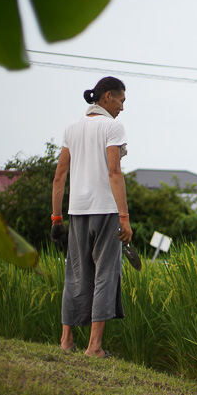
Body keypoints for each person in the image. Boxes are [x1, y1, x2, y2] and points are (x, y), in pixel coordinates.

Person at [51, 76, 132, 358]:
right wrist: (124, 217)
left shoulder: (72, 128)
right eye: (121, 100)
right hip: (106, 210)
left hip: (76, 211)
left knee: (75, 274)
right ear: (108, 96)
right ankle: (94, 347)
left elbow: (59, 176)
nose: (123, 107)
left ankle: (65, 341)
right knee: (105, 274)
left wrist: (56, 219)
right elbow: (114, 172)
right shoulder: (112, 126)